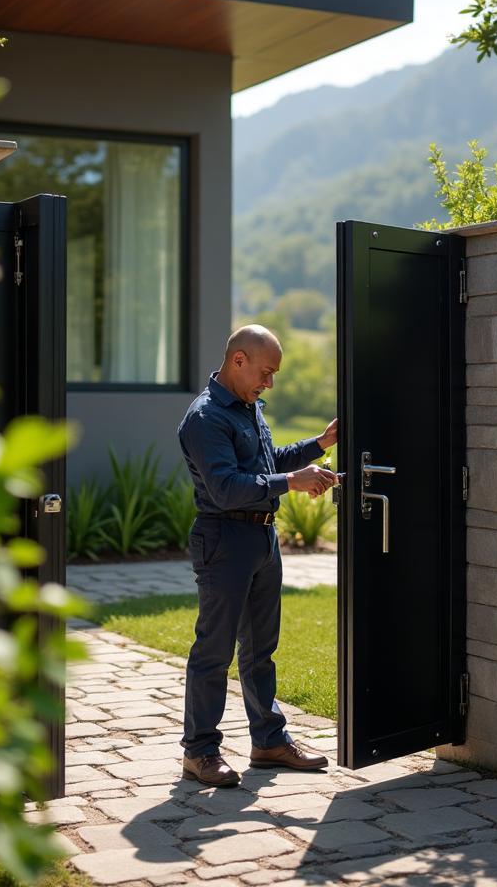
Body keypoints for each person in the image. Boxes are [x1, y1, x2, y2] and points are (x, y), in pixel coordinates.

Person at [177, 324, 338, 787]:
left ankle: (268, 741)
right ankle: (200, 752)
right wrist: (293, 482)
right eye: (266, 373)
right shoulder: (205, 418)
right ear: (239, 360)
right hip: (224, 541)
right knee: (214, 651)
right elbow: (226, 488)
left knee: (261, 649)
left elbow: (269, 463)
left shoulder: (248, 407)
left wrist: (319, 446)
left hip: (263, 542)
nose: (269, 383)